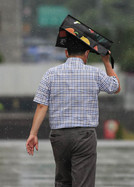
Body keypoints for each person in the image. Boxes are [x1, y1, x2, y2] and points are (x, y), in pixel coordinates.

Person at [26, 34, 120, 187]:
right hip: (84, 136)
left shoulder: (51, 74)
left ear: (66, 53)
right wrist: (106, 63)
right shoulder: (94, 73)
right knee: (83, 183)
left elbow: (42, 105)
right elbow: (115, 87)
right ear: (87, 53)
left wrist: (33, 134)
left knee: (63, 181)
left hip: (59, 136)